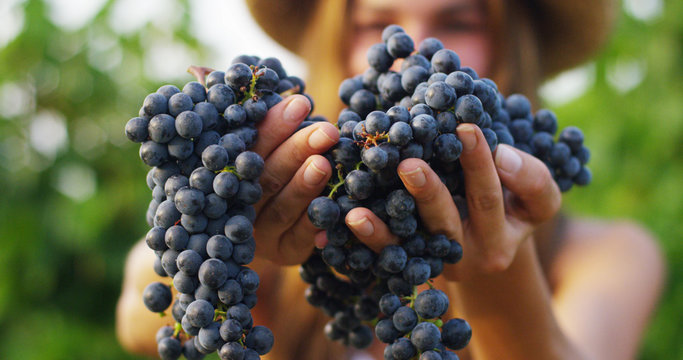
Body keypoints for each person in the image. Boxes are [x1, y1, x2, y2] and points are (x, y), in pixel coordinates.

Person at [117, 0, 666, 359]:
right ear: (331, 36)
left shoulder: (610, 254)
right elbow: (145, 319)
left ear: (514, 41)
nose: (411, 56)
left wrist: (495, 275)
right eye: (374, 22)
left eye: (457, 22)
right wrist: (246, 227)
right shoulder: (301, 211)